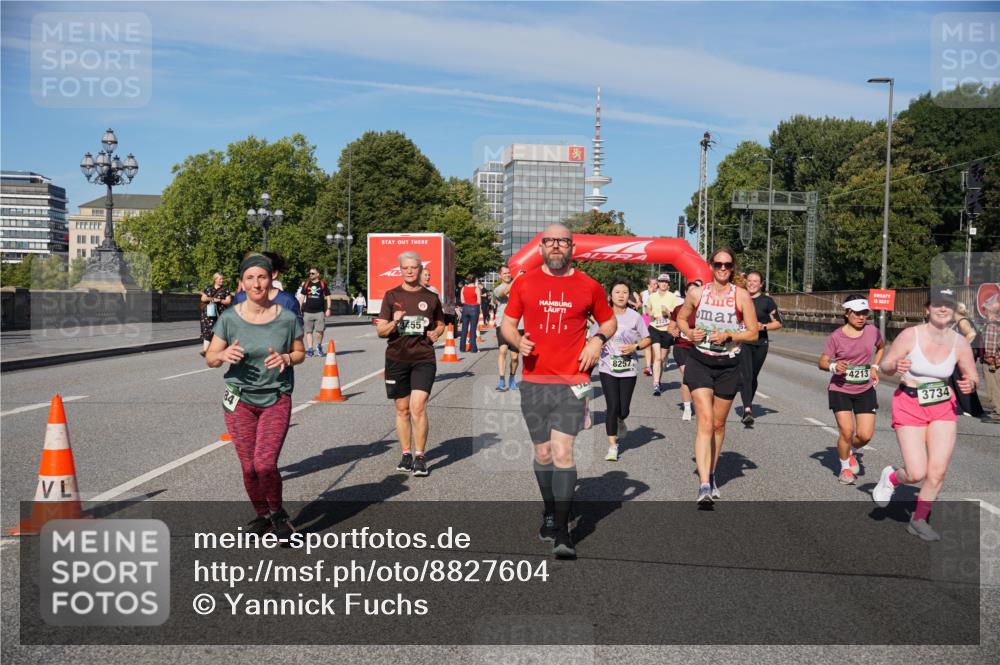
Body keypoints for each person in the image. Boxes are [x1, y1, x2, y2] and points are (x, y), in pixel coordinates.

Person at [501, 224, 616, 559]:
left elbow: (608, 322)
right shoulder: (525, 282)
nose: (555, 247)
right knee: (543, 454)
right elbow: (507, 323)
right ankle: (549, 509)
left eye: (562, 242)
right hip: (535, 380)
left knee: (563, 452)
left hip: (574, 381)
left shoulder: (589, 286)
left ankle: (564, 532)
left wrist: (597, 339)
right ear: (540, 248)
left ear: (572, 247)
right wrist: (515, 339)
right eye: (549, 241)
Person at [206, 253, 305, 539]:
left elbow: (300, 353)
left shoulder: (286, 318)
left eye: (261, 276)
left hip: (276, 397)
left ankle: (277, 514)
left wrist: (287, 357)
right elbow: (210, 358)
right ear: (242, 283)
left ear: (271, 278)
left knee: (264, 464)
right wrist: (222, 354)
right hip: (239, 400)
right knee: (249, 468)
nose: (256, 283)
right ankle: (263, 515)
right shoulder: (228, 319)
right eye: (250, 278)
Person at [873, 288, 978, 541]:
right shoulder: (911, 335)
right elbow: (886, 365)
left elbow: (971, 374)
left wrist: (970, 383)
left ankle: (918, 519)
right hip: (909, 403)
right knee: (916, 472)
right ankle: (892, 476)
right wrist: (895, 366)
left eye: (948, 305)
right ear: (927, 308)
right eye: (937, 304)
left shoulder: (960, 342)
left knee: (938, 471)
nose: (943, 309)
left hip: (942, 406)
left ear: (954, 312)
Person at [676, 248, 758, 504]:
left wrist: (729, 336)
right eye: (718, 264)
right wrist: (689, 334)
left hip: (728, 365)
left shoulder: (741, 295)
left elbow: (754, 333)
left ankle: (711, 474)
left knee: (719, 425)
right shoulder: (697, 292)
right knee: (706, 420)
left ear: (733, 268)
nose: (723, 268)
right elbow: (681, 318)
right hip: (700, 361)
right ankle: (703, 485)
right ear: (711, 266)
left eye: (728, 265)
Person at [375, 252, 445, 478]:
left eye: (414, 267)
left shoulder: (431, 297)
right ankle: (406, 454)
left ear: (420, 269)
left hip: (423, 358)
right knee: (402, 409)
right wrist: (396, 321)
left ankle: (421, 456)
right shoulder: (391, 295)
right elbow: (380, 330)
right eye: (405, 268)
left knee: (418, 406)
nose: (410, 271)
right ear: (400, 269)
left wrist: (437, 331)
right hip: (397, 358)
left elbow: (441, 321)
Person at [817, 295, 885, 485]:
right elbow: (822, 361)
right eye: (857, 313)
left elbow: (880, 347)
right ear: (846, 313)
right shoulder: (836, 336)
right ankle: (845, 468)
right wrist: (833, 367)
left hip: (865, 389)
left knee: (865, 435)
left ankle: (850, 451)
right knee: (847, 431)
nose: (861, 317)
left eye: (865, 313)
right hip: (840, 388)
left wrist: (874, 368)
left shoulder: (872, 331)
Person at [595, 279, 650, 462]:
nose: (621, 295)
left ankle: (621, 419)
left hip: (628, 368)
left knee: (623, 409)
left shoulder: (635, 316)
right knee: (612, 407)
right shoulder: (603, 315)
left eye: (625, 292)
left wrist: (635, 347)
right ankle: (612, 446)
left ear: (629, 296)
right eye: (617, 292)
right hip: (607, 367)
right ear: (611, 295)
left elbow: (647, 339)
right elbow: (593, 338)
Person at [738, 271, 782, 426]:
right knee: (746, 376)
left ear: (761, 284)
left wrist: (763, 326)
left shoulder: (767, 301)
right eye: (749, 280)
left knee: (753, 376)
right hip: (743, 342)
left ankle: (748, 401)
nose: (751, 283)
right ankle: (747, 409)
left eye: (755, 281)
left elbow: (778, 323)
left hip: (760, 343)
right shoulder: (740, 297)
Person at [233, 251, 303, 328]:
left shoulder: (288, 301)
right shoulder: (240, 298)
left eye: (261, 274)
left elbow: (297, 333)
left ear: (273, 274)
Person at [644, 274, 682, 396]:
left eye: (666, 282)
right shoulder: (652, 296)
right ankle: (655, 383)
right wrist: (650, 313)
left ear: (668, 284)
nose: (664, 284)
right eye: (661, 281)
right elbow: (647, 309)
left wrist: (668, 313)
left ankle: (658, 380)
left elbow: (676, 316)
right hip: (655, 328)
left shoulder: (673, 297)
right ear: (658, 283)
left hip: (667, 330)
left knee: (662, 359)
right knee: (658, 357)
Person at [670, 280, 702, 421]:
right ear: (685, 293)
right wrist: (673, 331)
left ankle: (699, 403)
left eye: (696, 290)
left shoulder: (703, 310)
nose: (693, 293)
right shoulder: (678, 309)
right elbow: (670, 327)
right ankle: (688, 408)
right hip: (681, 347)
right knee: (688, 375)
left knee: (696, 377)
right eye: (690, 291)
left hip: (698, 347)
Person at [493, 264, 525, 391]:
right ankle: (501, 380)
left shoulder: (519, 285)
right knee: (502, 351)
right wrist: (517, 278)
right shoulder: (497, 289)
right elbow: (504, 292)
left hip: (519, 325)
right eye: (504, 273)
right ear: (500, 275)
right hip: (502, 323)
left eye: (508, 273)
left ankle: (512, 378)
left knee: (515, 357)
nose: (507, 275)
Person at [951, 302, 984, 417]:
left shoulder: (962, 321)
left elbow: (971, 334)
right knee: (961, 377)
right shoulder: (964, 320)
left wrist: (961, 347)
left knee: (959, 377)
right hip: (967, 353)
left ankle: (967, 407)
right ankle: (967, 407)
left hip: (965, 354)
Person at [297, 268, 332, 357]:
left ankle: (319, 345)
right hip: (307, 312)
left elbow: (328, 296)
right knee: (308, 332)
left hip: (319, 312)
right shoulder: (307, 283)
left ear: (317, 274)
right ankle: (310, 349)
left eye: (312, 273)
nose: (310, 275)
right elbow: (302, 296)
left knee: (320, 331)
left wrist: (328, 308)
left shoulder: (322, 284)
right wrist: (299, 308)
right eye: (310, 273)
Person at [200, 272, 232, 357]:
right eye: (220, 279)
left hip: (220, 313)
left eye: (222, 279)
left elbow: (228, 301)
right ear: (215, 279)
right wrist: (213, 299)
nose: (222, 280)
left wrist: (220, 301)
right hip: (208, 313)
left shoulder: (226, 289)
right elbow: (203, 298)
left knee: (219, 331)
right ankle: (205, 350)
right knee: (207, 330)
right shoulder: (208, 288)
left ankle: (221, 348)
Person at [981, 296, 1000, 421]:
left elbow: (990, 348)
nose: (984, 311)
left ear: (990, 311)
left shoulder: (992, 325)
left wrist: (990, 363)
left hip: (992, 362)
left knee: (993, 387)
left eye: (986, 309)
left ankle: (997, 413)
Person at [459, 273, 482, 353]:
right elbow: (479, 301)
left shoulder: (463, 288)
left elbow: (462, 300)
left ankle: (462, 348)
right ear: (475, 280)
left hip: (465, 308)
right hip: (474, 308)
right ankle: (473, 348)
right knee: (473, 329)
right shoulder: (477, 289)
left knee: (464, 329)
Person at [639, 277, 657, 376]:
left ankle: (653, 364)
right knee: (647, 343)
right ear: (648, 285)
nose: (655, 286)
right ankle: (648, 366)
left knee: (654, 345)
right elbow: (640, 303)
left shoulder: (659, 294)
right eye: (653, 284)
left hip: (656, 320)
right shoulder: (643, 293)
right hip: (646, 319)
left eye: (656, 284)